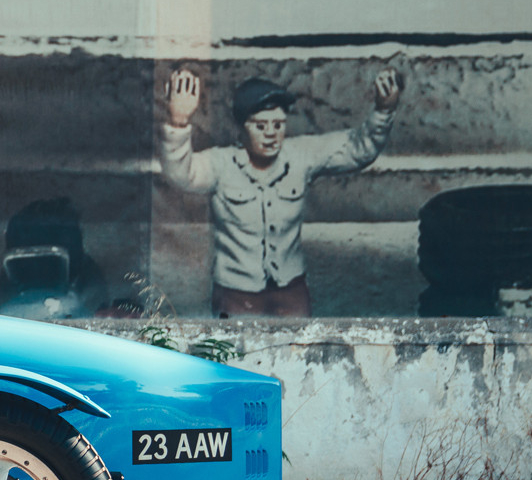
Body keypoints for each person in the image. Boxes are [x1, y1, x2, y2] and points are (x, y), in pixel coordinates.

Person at [158, 64, 402, 318]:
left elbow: (358, 150)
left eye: (278, 124)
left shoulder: (301, 156)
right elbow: (179, 174)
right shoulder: (222, 164)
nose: (271, 134)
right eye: (260, 126)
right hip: (237, 293)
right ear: (241, 128)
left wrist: (384, 111)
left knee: (298, 350)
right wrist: (178, 121)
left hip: (291, 290)